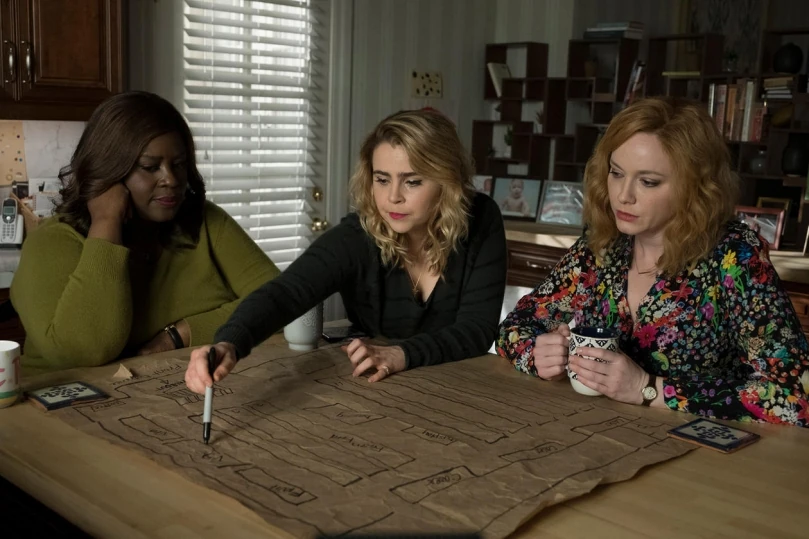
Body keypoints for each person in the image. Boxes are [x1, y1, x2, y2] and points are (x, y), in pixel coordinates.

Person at [497, 96, 809, 427]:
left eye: (648, 182)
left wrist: (648, 389)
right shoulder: (599, 247)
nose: (623, 195)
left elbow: (795, 396)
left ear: (694, 186)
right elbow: (514, 328)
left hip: (702, 448)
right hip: (594, 432)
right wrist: (538, 353)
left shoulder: (735, 257)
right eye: (616, 173)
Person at [184, 109, 507, 393]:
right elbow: (286, 293)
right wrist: (229, 342)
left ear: (447, 181)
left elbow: (477, 330)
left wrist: (402, 354)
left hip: (462, 386)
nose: (393, 197)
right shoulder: (357, 235)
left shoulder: (480, 219)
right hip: (379, 389)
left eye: (412, 181)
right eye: (382, 179)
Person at [11, 91, 280, 375]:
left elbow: (282, 302)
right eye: (150, 167)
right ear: (110, 171)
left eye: (179, 164)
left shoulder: (205, 221)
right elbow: (85, 351)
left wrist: (180, 334)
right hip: (60, 397)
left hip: (176, 387)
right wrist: (106, 221)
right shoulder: (50, 243)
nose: (171, 179)